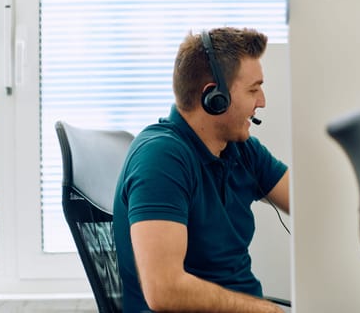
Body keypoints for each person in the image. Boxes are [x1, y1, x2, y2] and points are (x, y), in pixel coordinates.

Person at [113, 27, 290, 312]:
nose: (262, 102)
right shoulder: (161, 158)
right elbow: (164, 290)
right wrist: (262, 309)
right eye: (253, 90)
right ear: (214, 98)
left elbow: (307, 206)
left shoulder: (241, 150)